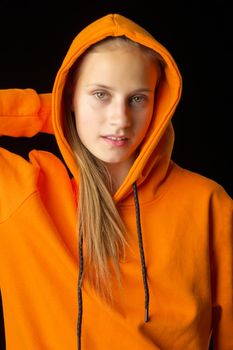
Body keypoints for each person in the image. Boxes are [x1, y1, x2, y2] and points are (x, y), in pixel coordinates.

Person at [0, 13, 232, 350]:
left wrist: (80, 108)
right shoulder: (26, 195)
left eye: (138, 98)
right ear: (70, 97)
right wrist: (48, 110)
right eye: (100, 95)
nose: (120, 120)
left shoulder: (207, 202)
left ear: (159, 104)